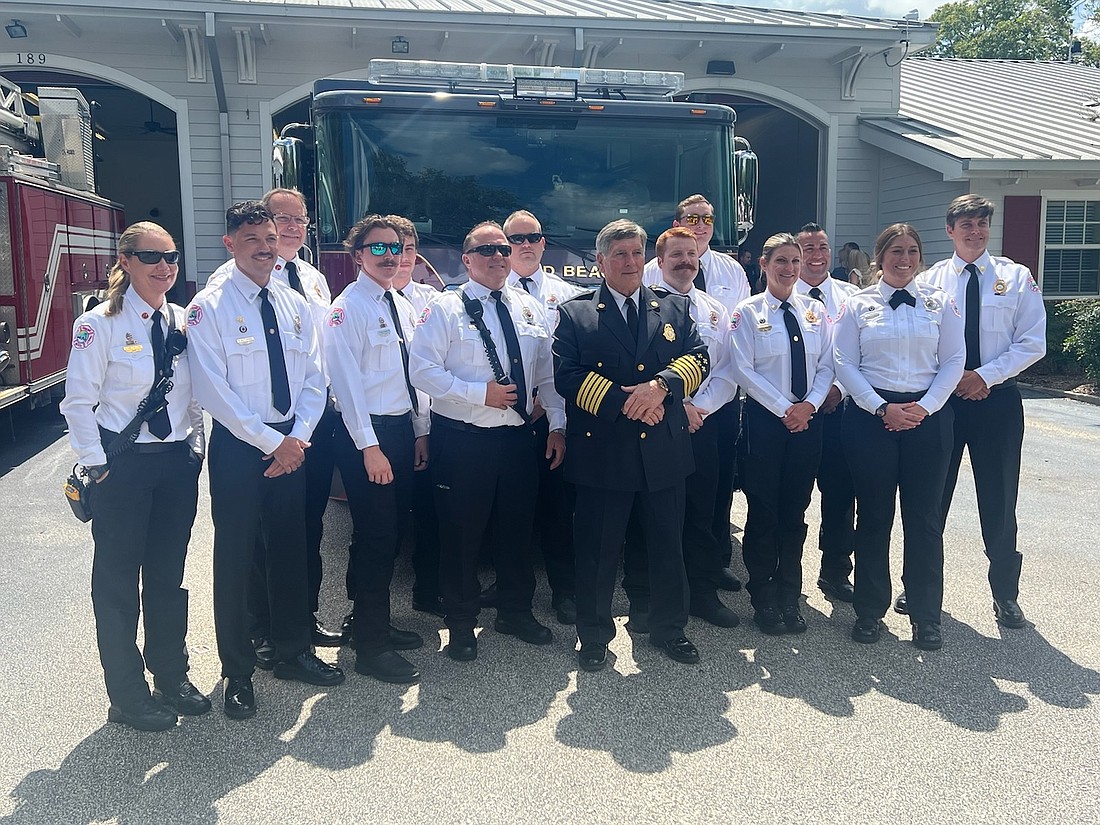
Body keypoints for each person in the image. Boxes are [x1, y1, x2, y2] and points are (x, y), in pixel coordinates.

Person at [187, 201, 343, 719]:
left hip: (291, 444)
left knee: (289, 549)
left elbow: (315, 377)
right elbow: (212, 389)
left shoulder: (295, 304)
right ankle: (237, 671)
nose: (264, 246)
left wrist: (296, 437)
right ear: (229, 244)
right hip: (239, 447)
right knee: (235, 560)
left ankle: (294, 650)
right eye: (252, 238)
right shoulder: (208, 308)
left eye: (270, 237)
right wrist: (269, 442)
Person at [60, 221, 209, 731]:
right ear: (125, 261)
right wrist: (96, 465)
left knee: (168, 577)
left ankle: (171, 675)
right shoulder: (99, 325)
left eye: (172, 257)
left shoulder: (183, 322)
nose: (165, 267)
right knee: (119, 584)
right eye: (152, 257)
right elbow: (77, 402)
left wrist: (194, 448)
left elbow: (193, 396)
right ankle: (126, 695)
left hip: (174, 466)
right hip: (121, 468)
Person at [554, 219, 709, 672]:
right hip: (605, 452)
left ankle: (669, 629)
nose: (630, 262)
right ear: (600, 262)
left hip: (663, 449)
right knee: (598, 552)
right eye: (619, 254)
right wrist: (630, 403)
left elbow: (698, 357)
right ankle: (594, 636)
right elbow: (567, 376)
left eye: (637, 253)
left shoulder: (674, 309)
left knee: (667, 546)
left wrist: (659, 388)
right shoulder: (576, 313)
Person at [408, 221, 565, 662]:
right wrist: (482, 394)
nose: (498, 256)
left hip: (518, 440)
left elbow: (548, 375)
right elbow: (422, 371)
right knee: (461, 534)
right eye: (486, 250)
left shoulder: (530, 308)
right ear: (467, 259)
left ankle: (515, 610)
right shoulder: (445, 307)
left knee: (517, 529)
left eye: (503, 248)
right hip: (463, 441)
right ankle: (460, 623)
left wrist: (556, 424)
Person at [911, 194, 1046, 628]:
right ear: (949, 231)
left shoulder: (1016, 277)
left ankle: (1005, 594)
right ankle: (917, 584)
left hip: (997, 401)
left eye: (982, 223)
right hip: (943, 402)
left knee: (999, 498)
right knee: (930, 497)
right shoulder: (930, 281)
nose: (975, 231)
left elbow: (1032, 342)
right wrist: (954, 381)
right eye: (966, 225)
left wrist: (984, 376)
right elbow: (920, 342)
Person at [833, 224, 964, 651]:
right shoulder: (857, 303)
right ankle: (870, 610)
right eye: (895, 251)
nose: (903, 258)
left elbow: (953, 360)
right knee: (874, 518)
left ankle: (927, 616)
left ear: (920, 256)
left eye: (911, 251)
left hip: (928, 418)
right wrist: (881, 408)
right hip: (872, 419)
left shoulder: (940, 303)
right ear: (879, 257)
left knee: (924, 522)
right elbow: (844, 362)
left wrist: (924, 408)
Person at [324, 214, 429, 684]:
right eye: (379, 248)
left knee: (390, 531)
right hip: (368, 437)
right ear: (358, 256)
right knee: (375, 536)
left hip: (402, 432)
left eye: (397, 248)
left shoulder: (400, 304)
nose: (390, 256)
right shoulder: (348, 310)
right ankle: (369, 646)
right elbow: (346, 388)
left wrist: (421, 432)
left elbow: (416, 376)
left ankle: (374, 622)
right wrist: (369, 447)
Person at [643, 194, 749, 593]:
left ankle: (707, 573)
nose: (701, 225)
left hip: (710, 412)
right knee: (661, 504)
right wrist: (677, 405)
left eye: (707, 218)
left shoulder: (723, 288)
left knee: (711, 493)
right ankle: (656, 587)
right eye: (692, 218)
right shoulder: (646, 285)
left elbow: (729, 357)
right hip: (659, 413)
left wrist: (699, 407)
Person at [730, 233, 835, 635]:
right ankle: (762, 598)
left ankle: (790, 595)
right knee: (764, 513)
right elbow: (744, 370)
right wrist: (785, 409)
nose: (790, 268)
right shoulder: (747, 312)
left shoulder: (815, 311)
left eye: (795, 260)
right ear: (764, 264)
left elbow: (828, 363)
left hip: (808, 425)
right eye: (781, 262)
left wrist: (808, 405)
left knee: (795, 513)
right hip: (765, 425)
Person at [504, 209, 586, 625]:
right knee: (510, 510)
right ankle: (508, 590)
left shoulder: (569, 296)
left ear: (543, 243)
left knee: (558, 511)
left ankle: (566, 591)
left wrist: (555, 420)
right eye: (515, 239)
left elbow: (564, 365)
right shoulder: (484, 295)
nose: (524, 246)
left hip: (552, 421)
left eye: (532, 237)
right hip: (504, 421)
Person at [795, 222, 859, 602]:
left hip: (841, 411)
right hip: (797, 413)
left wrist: (837, 388)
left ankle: (835, 571)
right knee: (795, 496)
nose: (816, 255)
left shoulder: (853, 296)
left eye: (822, 247)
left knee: (839, 496)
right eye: (807, 248)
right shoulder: (777, 295)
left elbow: (860, 353)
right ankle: (788, 573)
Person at [387, 215, 445, 619]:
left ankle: (428, 591)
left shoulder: (434, 302)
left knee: (432, 512)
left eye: (409, 249)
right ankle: (370, 611)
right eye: (393, 249)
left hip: (430, 424)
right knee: (384, 522)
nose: (403, 258)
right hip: (386, 425)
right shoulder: (359, 302)